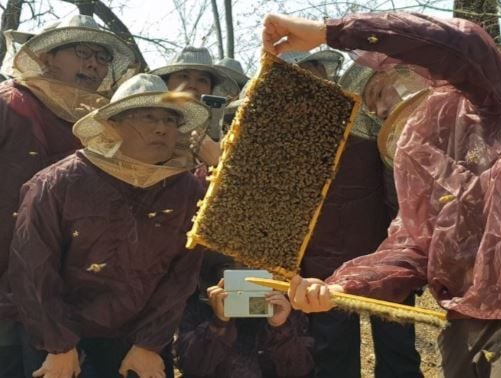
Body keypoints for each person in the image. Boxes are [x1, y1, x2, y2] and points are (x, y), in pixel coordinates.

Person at [263, 12, 501, 377]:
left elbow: (466, 46)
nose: (381, 106)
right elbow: (413, 244)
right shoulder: (422, 158)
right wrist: (338, 287)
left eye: (382, 87)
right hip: (461, 325)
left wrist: (330, 33)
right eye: (372, 103)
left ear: (420, 68)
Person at [1, 73, 210, 378]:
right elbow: (32, 268)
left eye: (170, 120)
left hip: (138, 343)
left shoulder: (189, 192)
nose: (161, 127)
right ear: (113, 125)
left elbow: (182, 275)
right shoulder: (57, 182)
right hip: (58, 340)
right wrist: (59, 347)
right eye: (148, 117)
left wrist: (149, 345)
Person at [0, 14, 138, 377]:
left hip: (73, 300)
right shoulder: (8, 105)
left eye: (102, 57)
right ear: (46, 58)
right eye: (81, 52)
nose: (93, 64)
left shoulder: (100, 126)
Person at [297, 60, 425, 377]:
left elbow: (398, 202)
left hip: (384, 266)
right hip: (322, 275)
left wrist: (407, 262)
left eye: (319, 81)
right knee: (332, 357)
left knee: (399, 354)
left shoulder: (369, 139)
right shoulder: (286, 150)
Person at [175, 252, 314, 378]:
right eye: (228, 267)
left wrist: (280, 327)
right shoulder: (197, 306)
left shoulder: (284, 306)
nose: (242, 274)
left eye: (251, 267)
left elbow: (300, 370)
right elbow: (192, 368)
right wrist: (219, 323)